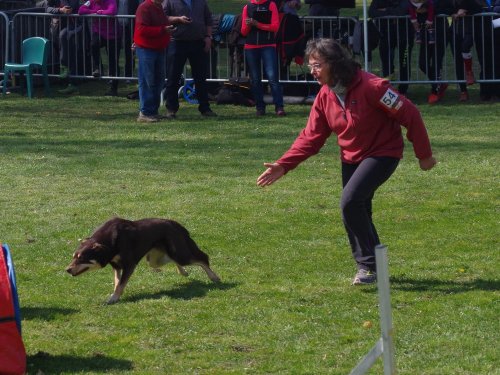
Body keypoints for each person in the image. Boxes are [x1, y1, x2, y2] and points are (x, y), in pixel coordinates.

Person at [256, 39, 437, 285]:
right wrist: (284, 165)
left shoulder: (373, 87)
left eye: (317, 65)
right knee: (359, 208)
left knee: (350, 203)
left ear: (335, 64)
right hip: (351, 157)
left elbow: (410, 113)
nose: (312, 71)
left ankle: (370, 266)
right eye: (310, 65)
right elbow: (311, 137)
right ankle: (373, 268)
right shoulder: (324, 96)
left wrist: (423, 155)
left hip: (383, 152)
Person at [162, 0, 217, 118]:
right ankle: (171, 109)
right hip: (176, 43)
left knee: (201, 77)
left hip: (198, 42)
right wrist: (178, 19)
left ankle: (205, 108)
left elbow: (208, 19)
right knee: (173, 77)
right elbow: (162, 17)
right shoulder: (169, 1)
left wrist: (208, 37)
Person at [241, 0, 286, 116]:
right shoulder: (247, 7)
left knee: (273, 77)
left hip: (268, 45)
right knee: (255, 79)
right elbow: (243, 32)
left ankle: (279, 107)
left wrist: (258, 24)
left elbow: (275, 26)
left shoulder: (271, 5)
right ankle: (260, 107)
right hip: (251, 46)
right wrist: (248, 24)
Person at [133, 0, 176, 122]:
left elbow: (161, 25)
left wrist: (168, 31)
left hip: (158, 48)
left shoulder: (159, 7)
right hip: (146, 49)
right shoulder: (144, 7)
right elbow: (142, 29)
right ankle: (145, 113)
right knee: (147, 81)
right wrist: (163, 30)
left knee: (158, 80)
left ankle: (153, 111)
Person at [368, 0, 413, 96]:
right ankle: (389, 89)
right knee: (386, 63)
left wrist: (384, 10)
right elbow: (372, 12)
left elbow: (402, 11)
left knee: (404, 63)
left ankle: (403, 90)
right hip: (385, 35)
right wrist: (392, 11)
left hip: (404, 35)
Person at [79, 0, 121, 96]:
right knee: (93, 44)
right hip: (98, 32)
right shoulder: (91, 1)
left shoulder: (111, 1)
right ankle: (97, 67)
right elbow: (81, 10)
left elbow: (112, 11)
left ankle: (113, 89)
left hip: (113, 35)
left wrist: (100, 12)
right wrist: (94, 12)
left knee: (113, 62)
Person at [46, 0, 84, 94]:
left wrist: (65, 9)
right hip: (57, 29)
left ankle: (73, 84)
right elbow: (47, 8)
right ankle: (66, 81)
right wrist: (60, 10)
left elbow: (71, 7)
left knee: (71, 54)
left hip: (73, 27)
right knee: (62, 52)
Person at [448, 0, 482, 101]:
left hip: (469, 30)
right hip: (455, 32)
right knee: (458, 61)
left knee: (465, 47)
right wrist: (453, 13)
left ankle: (469, 71)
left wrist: (466, 11)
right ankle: (463, 91)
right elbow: (442, 8)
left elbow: (479, 8)